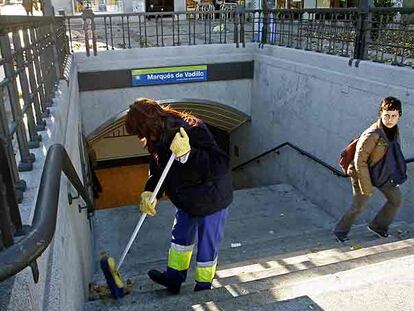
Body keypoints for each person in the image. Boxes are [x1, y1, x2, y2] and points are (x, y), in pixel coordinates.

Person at [124, 98, 233, 293]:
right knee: (180, 239)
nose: (139, 137)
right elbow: (158, 169)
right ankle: (173, 279)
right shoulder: (156, 138)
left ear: (148, 126)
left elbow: (219, 163)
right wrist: (150, 190)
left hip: (211, 198)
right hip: (186, 198)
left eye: (139, 133)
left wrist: (188, 154)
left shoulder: (191, 128)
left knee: (207, 246)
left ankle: (203, 287)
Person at [334, 97, 407, 242]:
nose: (390, 119)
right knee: (359, 206)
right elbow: (359, 161)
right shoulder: (372, 134)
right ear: (380, 114)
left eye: (394, 116)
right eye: (386, 115)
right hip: (362, 172)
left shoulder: (394, 130)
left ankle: (378, 226)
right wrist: (366, 186)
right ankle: (340, 232)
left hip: (382, 172)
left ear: (399, 115)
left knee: (396, 200)